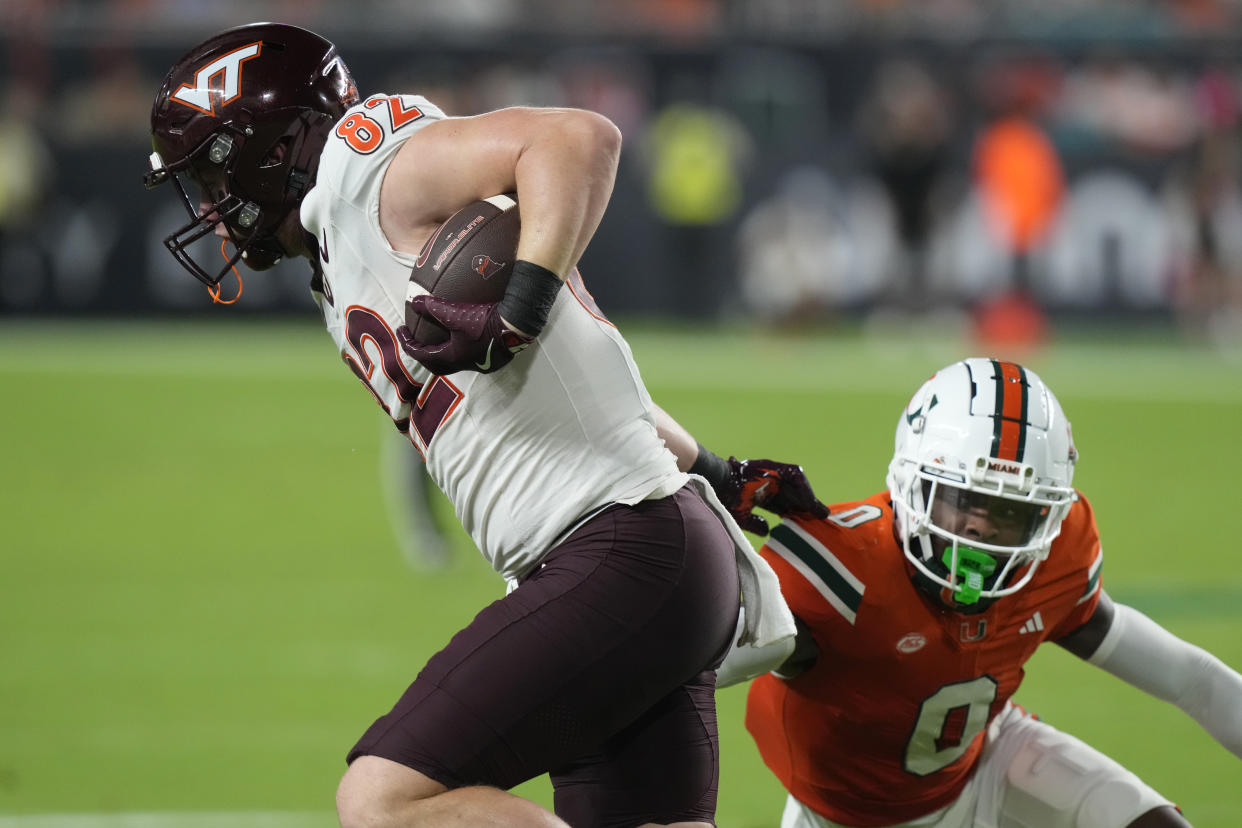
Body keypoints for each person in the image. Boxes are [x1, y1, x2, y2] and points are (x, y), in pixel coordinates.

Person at [142, 22, 828, 828]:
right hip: (654, 553)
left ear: (267, 146)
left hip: (619, 554)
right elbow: (597, 379)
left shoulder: (370, 168)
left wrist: (520, 311)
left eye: (215, 175)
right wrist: (718, 470)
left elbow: (576, 138)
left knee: (383, 798)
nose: (212, 208)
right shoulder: (340, 236)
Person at [717, 357, 1241, 828]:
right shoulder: (838, 570)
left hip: (986, 764)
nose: (980, 530)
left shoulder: (1053, 558)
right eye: (962, 499)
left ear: (1046, 517)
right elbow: (685, 670)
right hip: (843, 820)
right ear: (912, 485)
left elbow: (1191, 680)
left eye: (1010, 512)